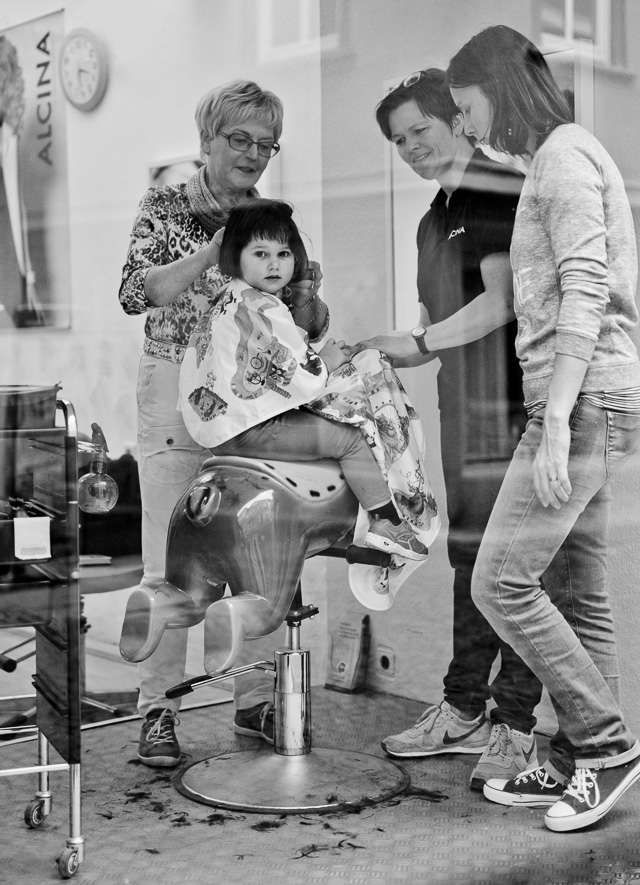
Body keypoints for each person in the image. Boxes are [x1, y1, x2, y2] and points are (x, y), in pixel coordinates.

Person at [445, 25, 640, 832]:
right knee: (575, 589)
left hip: (580, 398)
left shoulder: (562, 156)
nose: (464, 125)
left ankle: (605, 744)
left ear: (500, 87)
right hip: (592, 395)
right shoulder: (561, 156)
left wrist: (555, 415)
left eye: (464, 107)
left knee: (500, 581)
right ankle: (568, 756)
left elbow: (586, 290)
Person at [119, 80, 328, 767]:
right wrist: (216, 249)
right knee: (173, 549)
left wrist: (307, 297)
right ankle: (158, 709)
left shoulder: (272, 216)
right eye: (240, 139)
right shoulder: (168, 204)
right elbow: (134, 290)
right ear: (207, 139)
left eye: (266, 143)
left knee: (257, 542)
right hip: (177, 380)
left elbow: (304, 318)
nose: (254, 154)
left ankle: (255, 700)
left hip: (254, 394)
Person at [354, 68, 542, 790]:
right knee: (469, 562)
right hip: (463, 414)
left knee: (514, 573)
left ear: (457, 120)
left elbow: (500, 305)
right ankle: (464, 706)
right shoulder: (435, 215)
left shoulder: (496, 190)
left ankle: (517, 724)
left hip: (513, 411)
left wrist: (420, 345)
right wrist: (380, 355)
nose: (410, 148)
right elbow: (438, 323)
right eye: (399, 141)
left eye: (419, 131)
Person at [178, 197, 434, 564]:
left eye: (283, 254)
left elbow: (275, 353)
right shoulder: (262, 306)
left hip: (221, 425)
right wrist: (326, 360)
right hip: (250, 428)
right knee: (350, 437)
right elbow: (298, 374)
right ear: (235, 256)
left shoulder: (232, 298)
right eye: (261, 254)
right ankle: (385, 520)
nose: (274, 263)